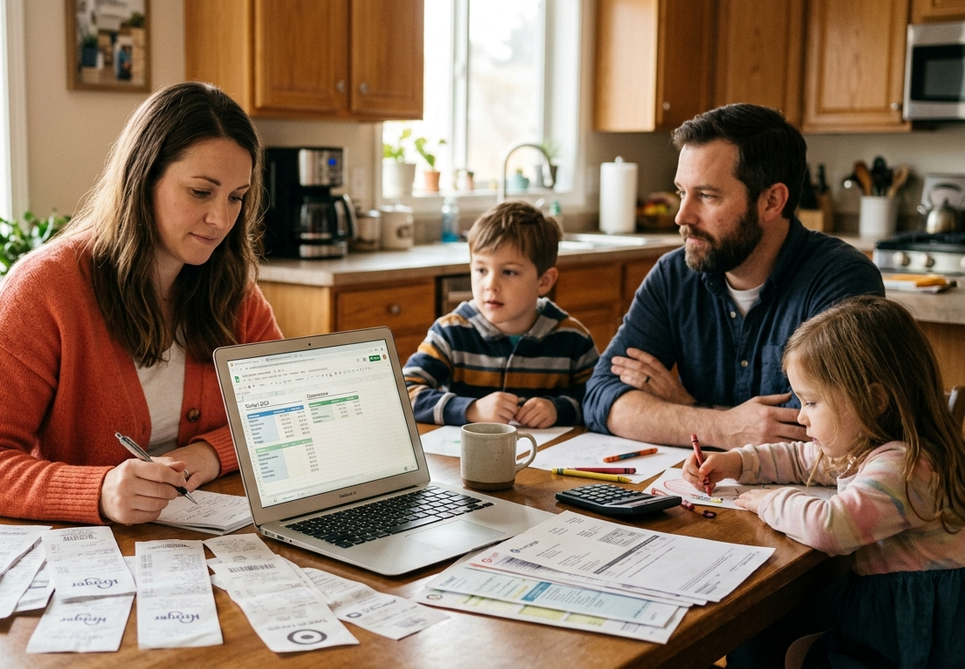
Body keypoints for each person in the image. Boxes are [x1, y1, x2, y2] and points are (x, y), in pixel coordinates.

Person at [0, 82, 283, 526]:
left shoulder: (232, 290)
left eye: (237, 197)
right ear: (143, 180)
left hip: (189, 544)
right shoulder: (43, 289)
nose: (221, 219)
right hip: (79, 559)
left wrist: (209, 454)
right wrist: (99, 491)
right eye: (200, 192)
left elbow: (283, 415)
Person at [684, 296, 965, 668]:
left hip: (912, 639)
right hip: (884, 614)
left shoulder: (906, 466)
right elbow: (804, 460)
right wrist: (737, 462)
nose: (801, 417)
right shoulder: (872, 444)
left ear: (874, 400)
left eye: (812, 402)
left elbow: (829, 527)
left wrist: (768, 501)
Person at [583, 103, 884, 449]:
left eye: (707, 196)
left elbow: (832, 434)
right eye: (683, 192)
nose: (682, 216)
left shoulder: (842, 280)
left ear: (772, 201)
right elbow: (601, 399)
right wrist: (721, 425)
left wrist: (687, 408)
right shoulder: (673, 275)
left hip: (810, 500)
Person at [403, 201, 598, 428]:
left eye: (509, 272)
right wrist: (471, 409)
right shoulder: (450, 333)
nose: (490, 285)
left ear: (544, 281)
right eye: (481, 270)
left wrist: (558, 409)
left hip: (544, 460)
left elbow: (600, 400)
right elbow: (402, 394)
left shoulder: (573, 339)